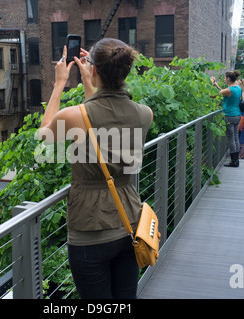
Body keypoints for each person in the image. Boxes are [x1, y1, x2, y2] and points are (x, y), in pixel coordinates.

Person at [38, 38, 153, 299]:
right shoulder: (145, 113)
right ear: (125, 70)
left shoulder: (73, 116)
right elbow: (100, 120)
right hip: (129, 222)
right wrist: (91, 81)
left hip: (90, 229)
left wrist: (59, 84)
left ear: (95, 69)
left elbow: (45, 137)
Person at [211, 70, 242, 167]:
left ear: (228, 78)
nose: (224, 79)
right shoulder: (238, 88)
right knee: (236, 137)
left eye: (225, 78)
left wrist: (212, 84)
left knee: (230, 138)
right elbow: (225, 93)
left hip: (229, 115)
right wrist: (217, 87)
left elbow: (212, 96)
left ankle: (233, 161)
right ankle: (236, 159)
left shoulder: (229, 90)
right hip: (237, 115)